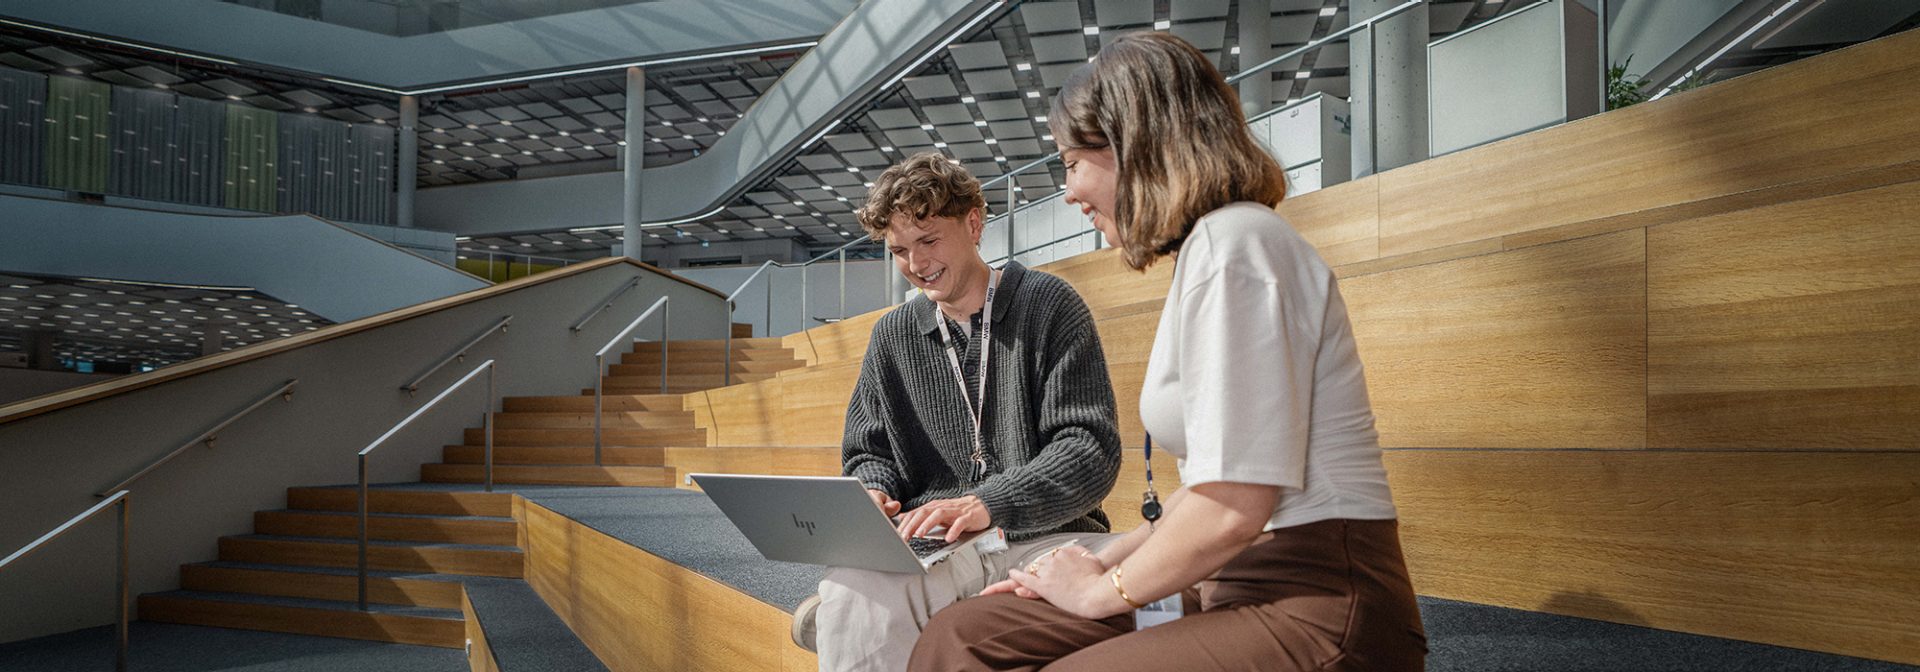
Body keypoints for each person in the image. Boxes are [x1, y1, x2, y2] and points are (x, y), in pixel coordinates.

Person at [906, 33, 1427, 672]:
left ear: (1137, 145)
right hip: (1229, 579)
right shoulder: (1208, 251)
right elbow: (1204, 490)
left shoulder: (1238, 246)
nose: (1069, 192)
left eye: (1072, 163)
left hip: (1316, 602)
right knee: (961, 634)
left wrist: (1098, 590)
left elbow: (1234, 508)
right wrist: (1099, 559)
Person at [795, 151, 1126, 672]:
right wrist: (875, 490)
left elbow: (1088, 451)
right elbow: (869, 451)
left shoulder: (1049, 304)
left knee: (1144, 580)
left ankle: (852, 618)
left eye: (928, 241)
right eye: (899, 250)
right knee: (853, 587)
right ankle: (851, 613)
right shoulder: (892, 335)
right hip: (939, 548)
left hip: (1048, 537)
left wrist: (988, 502)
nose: (916, 263)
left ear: (973, 223)